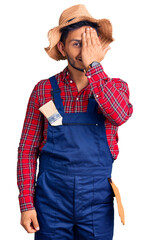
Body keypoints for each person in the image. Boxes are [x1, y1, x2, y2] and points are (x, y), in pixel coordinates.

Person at [17, 4, 133, 240]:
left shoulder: (115, 88)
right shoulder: (43, 90)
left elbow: (119, 115)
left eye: (90, 42)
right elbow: (27, 150)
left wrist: (94, 67)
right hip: (50, 202)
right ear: (62, 47)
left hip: (96, 203)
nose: (84, 51)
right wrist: (26, 204)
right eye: (76, 43)